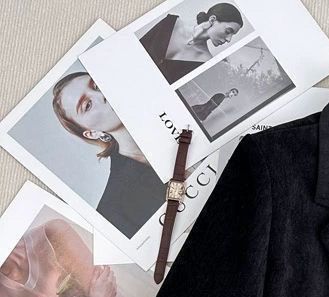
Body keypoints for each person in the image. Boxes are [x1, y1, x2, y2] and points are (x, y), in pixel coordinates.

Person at [51, 71, 165, 239]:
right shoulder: (114, 211)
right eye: (87, 105)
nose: (101, 95)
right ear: (92, 133)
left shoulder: (168, 108)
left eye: (96, 85)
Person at [138, 3, 245, 84]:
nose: (229, 40)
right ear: (212, 20)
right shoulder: (171, 22)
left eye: (232, 35)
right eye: (228, 31)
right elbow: (138, 48)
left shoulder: (205, 62)